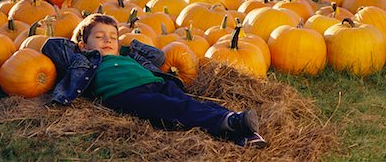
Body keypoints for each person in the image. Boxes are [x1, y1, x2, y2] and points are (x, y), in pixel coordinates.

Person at [42, 13, 267, 148]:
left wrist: (129, 44)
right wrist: (77, 44)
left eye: (112, 37)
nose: (107, 41)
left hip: (157, 82)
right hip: (127, 93)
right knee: (173, 108)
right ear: (84, 44)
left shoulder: (128, 55)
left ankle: (238, 126)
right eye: (99, 37)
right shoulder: (84, 60)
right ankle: (230, 124)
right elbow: (52, 45)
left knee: (192, 104)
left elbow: (158, 56)